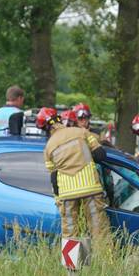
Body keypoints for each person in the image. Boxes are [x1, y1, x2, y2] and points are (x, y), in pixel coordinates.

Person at [40, 107, 110, 250]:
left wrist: (59, 199)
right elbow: (101, 155)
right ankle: (105, 265)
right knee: (99, 230)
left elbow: (54, 178)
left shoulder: (48, 147)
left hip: (67, 194)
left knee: (71, 234)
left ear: (45, 128)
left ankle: (73, 269)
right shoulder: (82, 132)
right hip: (90, 188)